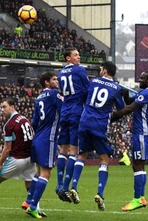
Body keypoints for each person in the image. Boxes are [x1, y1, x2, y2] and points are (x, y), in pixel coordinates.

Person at [68, 61, 125, 210]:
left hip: (84, 121)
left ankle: (73, 186)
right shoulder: (117, 88)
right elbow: (121, 109)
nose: (100, 71)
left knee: (81, 155)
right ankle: (100, 193)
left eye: (101, 69)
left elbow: (85, 96)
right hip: (99, 125)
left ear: (105, 71)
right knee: (104, 158)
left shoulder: (92, 82)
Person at [112, 70, 148, 211]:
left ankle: (137, 199)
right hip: (140, 132)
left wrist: (110, 118)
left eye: (142, 78)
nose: (139, 80)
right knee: (137, 164)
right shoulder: (145, 93)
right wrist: (126, 94)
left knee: (138, 164)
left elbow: (129, 108)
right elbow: (131, 102)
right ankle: (141, 197)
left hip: (142, 132)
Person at [22, 72, 63, 218]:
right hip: (49, 138)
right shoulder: (53, 94)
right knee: (46, 173)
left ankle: (28, 201)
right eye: (54, 79)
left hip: (38, 138)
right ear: (46, 82)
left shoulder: (38, 97)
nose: (57, 81)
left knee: (39, 173)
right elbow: (65, 109)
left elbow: (34, 122)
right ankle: (33, 206)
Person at [56, 47, 89, 202]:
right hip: (76, 111)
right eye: (76, 55)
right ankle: (66, 186)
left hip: (65, 111)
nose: (79, 57)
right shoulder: (80, 70)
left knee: (63, 149)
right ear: (67, 58)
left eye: (78, 54)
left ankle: (59, 184)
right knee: (74, 151)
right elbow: (89, 90)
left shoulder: (61, 73)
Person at [0, 99, 37, 212]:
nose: (2, 110)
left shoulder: (9, 125)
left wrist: (0, 163)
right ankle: (35, 208)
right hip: (30, 158)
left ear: (12, 107)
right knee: (30, 183)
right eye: (1, 107)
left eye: (4, 107)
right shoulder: (24, 118)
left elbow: (7, 148)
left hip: (17, 159)